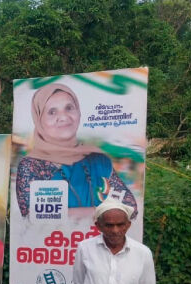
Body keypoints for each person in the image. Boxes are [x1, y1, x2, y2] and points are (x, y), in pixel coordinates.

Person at [16, 83, 137, 218]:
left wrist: (74, 213)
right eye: (52, 112)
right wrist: (99, 212)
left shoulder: (98, 161)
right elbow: (32, 216)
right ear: (39, 119)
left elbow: (130, 207)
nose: (63, 117)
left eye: (69, 108)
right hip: (56, 234)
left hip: (99, 233)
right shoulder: (32, 166)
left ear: (79, 113)